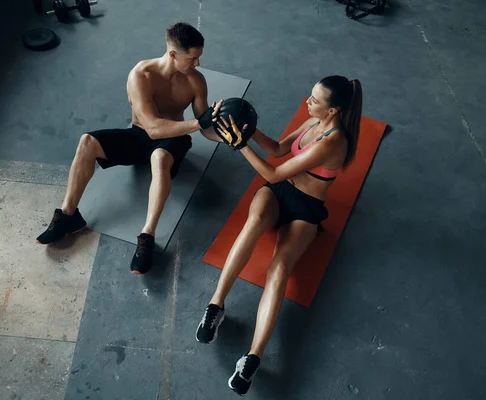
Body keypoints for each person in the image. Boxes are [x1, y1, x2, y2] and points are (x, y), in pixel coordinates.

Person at [196, 76, 363, 396]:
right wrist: (243, 125)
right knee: (254, 221)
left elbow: (270, 171)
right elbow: (276, 151)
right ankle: (216, 305)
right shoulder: (313, 120)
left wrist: (240, 145)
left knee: (280, 267)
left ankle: (253, 356)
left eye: (315, 100)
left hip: (306, 209)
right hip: (281, 192)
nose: (307, 102)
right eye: (310, 95)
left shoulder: (333, 141)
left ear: (334, 111)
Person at [36, 22, 224, 275]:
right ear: (173, 54)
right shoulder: (140, 75)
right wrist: (198, 122)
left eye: (198, 58)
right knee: (87, 142)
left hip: (175, 139)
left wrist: (227, 136)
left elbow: (204, 127)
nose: (197, 64)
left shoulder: (195, 81)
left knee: (159, 157)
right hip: (141, 134)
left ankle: (147, 235)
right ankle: (69, 215)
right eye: (192, 58)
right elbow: (153, 129)